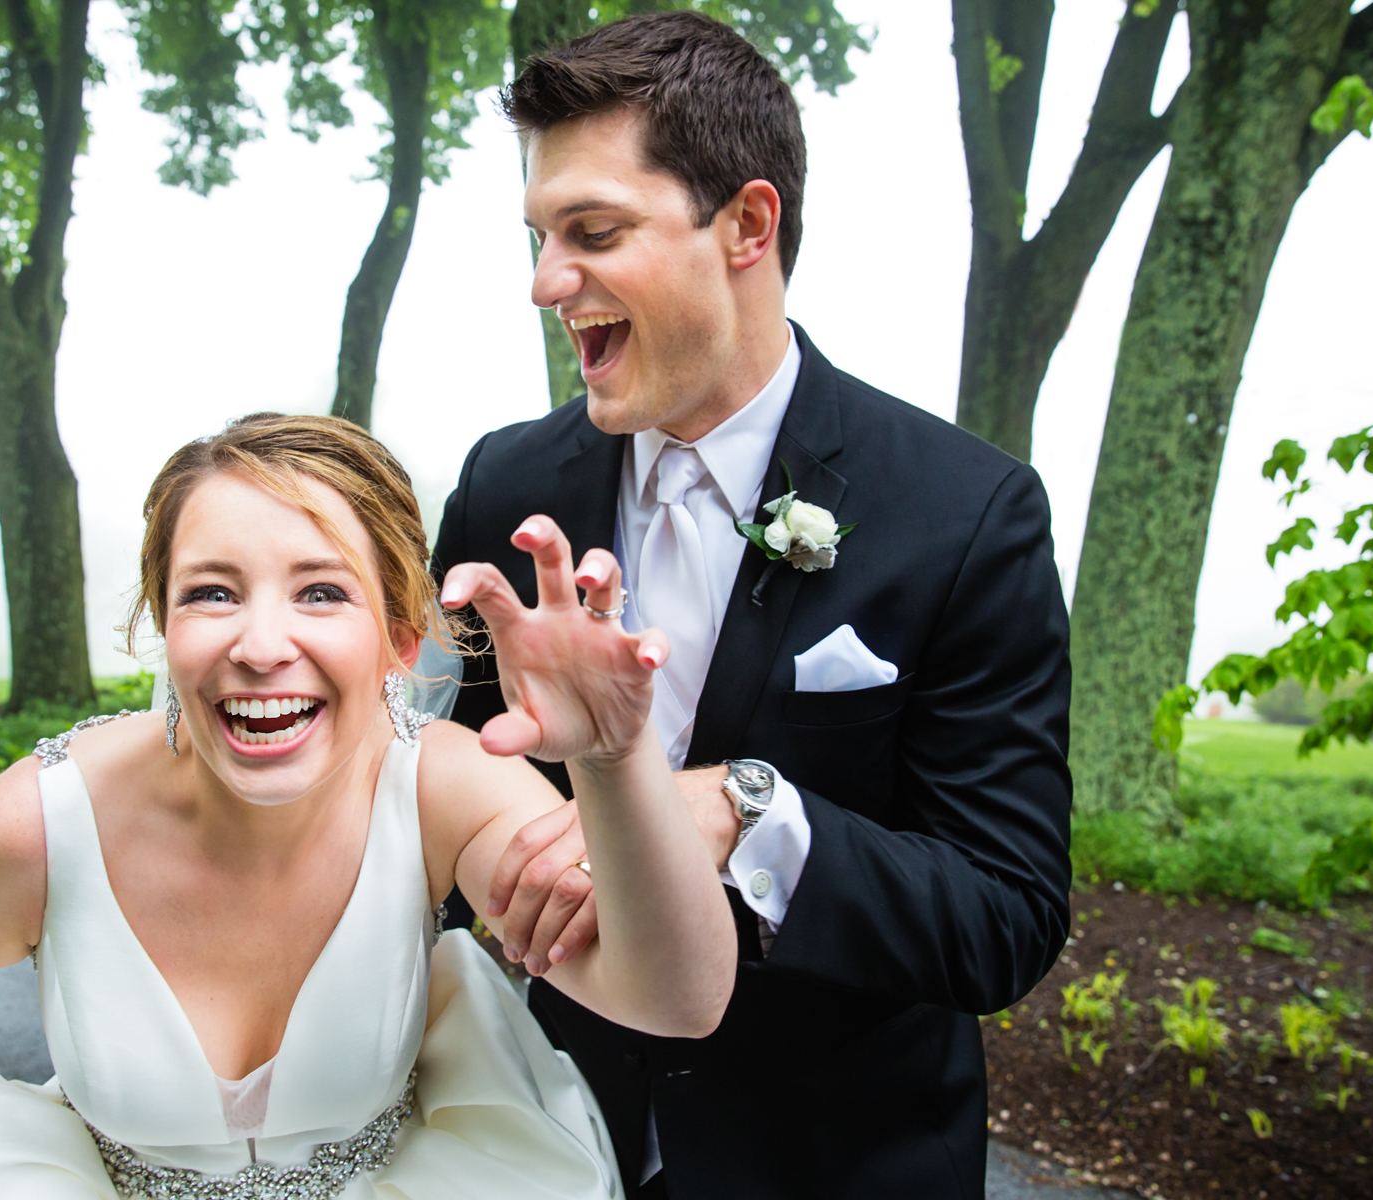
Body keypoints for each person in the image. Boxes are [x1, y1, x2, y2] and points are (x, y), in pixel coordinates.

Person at [431, 12, 1072, 1199]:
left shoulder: (968, 514)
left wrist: (746, 808)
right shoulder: (504, 489)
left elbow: (1007, 915)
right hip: (542, 1142)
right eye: (537, 235)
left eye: (593, 231)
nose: (544, 282)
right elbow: (428, 787)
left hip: (837, 1163)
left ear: (748, 225)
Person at [0, 413, 737, 1199]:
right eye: (212, 593)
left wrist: (615, 763)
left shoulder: (442, 788)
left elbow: (679, 1001)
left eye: (322, 592)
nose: (262, 645)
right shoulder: (47, 820)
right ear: (164, 624)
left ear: (399, 638)